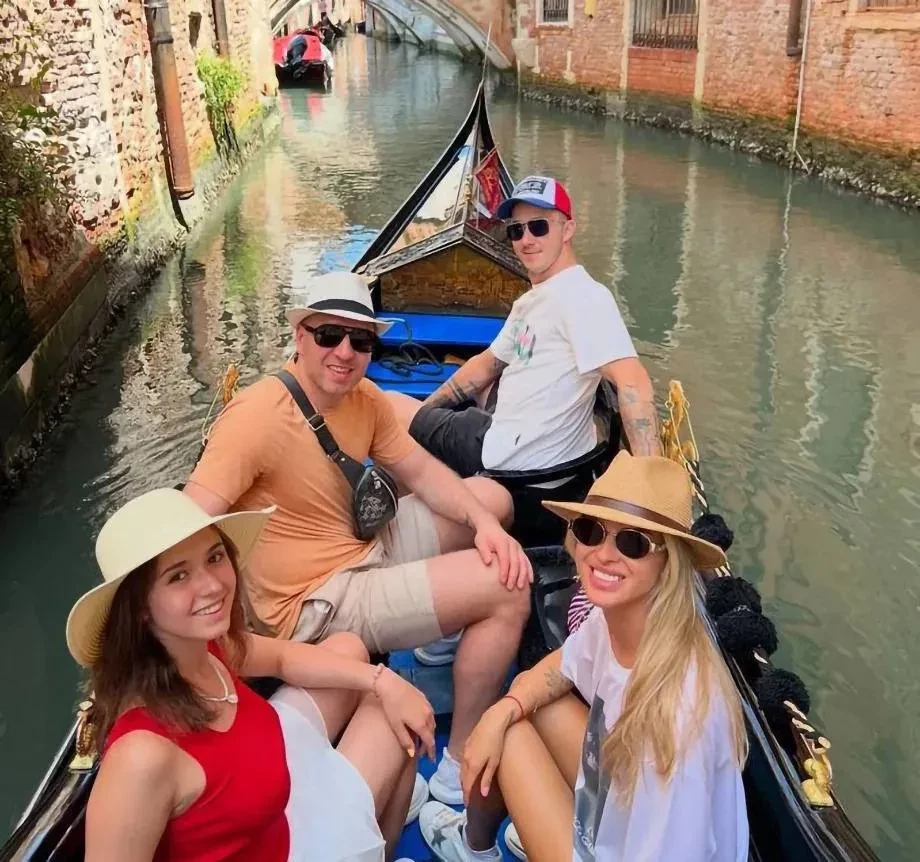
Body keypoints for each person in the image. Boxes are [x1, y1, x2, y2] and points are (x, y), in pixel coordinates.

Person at [184, 271, 532, 806]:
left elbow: (422, 474)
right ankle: (459, 760)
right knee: (508, 588)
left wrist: (483, 524)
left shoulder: (364, 398)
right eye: (329, 335)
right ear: (300, 337)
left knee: (492, 501)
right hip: (316, 599)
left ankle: (438, 640)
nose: (345, 352)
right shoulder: (255, 418)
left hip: (363, 546)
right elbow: (188, 524)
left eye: (361, 340)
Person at [68, 488, 436, 861]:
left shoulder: (204, 647)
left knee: (349, 650)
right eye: (178, 576)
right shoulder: (140, 757)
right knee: (394, 723)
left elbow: (283, 658)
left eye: (214, 557)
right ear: (140, 609)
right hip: (282, 841)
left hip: (267, 800)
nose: (213, 586)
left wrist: (381, 680)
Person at [418, 452, 749, 862]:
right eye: (591, 531)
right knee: (519, 713)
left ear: (669, 564)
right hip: (625, 811)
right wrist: (500, 712)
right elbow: (561, 666)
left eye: (633, 542)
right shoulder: (621, 619)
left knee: (512, 739)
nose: (604, 554)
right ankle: (489, 840)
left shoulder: (680, 721)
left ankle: (515, 835)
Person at [387, 175, 661, 481]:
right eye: (516, 230)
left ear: (568, 229)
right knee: (487, 387)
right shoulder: (532, 301)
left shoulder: (584, 297)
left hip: (506, 455)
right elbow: (487, 364)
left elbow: (634, 382)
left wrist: (653, 487)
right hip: (521, 444)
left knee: (383, 404)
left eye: (539, 226)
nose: (526, 240)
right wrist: (427, 409)